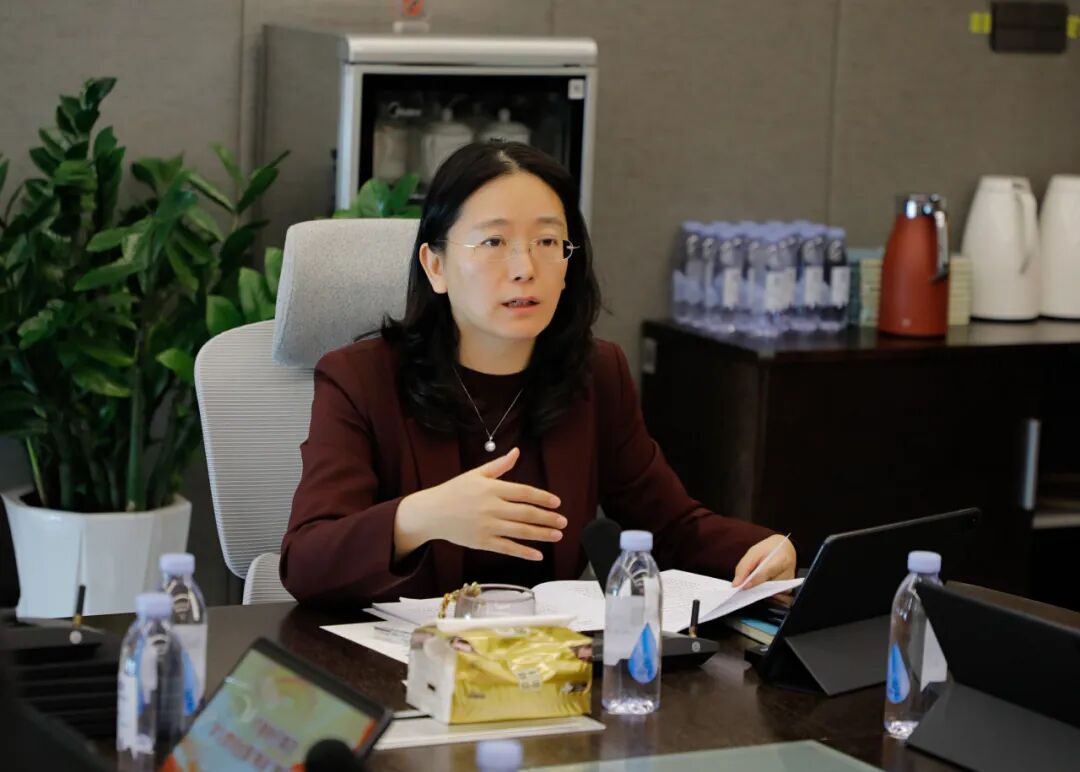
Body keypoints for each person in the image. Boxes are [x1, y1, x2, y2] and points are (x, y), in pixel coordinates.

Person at [281, 141, 795, 606]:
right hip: (398, 665)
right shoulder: (360, 379)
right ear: (435, 266)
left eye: (548, 242)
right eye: (493, 242)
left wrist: (762, 548)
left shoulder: (595, 374)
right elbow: (305, 561)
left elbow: (671, 526)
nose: (525, 268)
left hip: (545, 662)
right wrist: (422, 517)